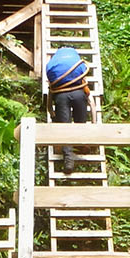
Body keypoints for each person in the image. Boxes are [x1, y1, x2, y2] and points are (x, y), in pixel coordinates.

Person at [45, 46, 90, 174]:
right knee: (80, 122)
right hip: (78, 94)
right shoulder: (75, 59)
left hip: (60, 96)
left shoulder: (55, 61)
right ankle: (82, 144)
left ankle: (69, 160)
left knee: (64, 126)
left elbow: (51, 82)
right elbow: (83, 78)